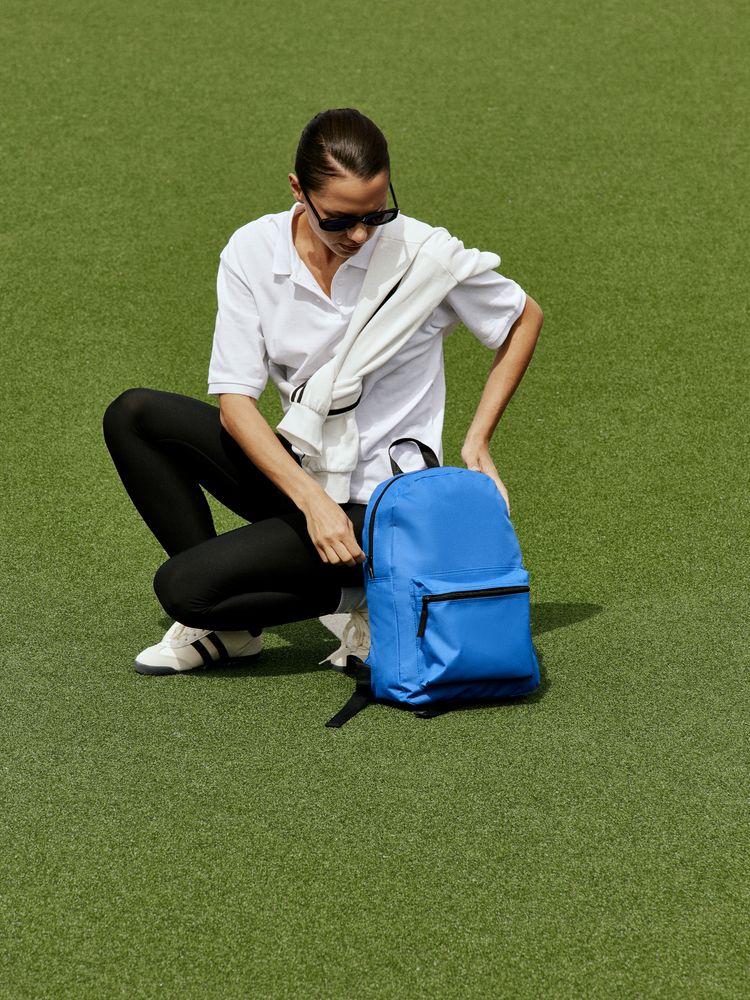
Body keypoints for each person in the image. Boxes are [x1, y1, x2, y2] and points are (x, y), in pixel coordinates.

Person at [102, 107, 544, 676]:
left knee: (182, 589)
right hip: (306, 474)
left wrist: (478, 439)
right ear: (298, 191)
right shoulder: (253, 250)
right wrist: (312, 503)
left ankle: (370, 595)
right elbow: (236, 405)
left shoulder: (424, 257)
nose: (360, 235)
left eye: (377, 214)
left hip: (386, 507)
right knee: (135, 414)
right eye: (339, 220)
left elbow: (522, 317)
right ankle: (234, 627)